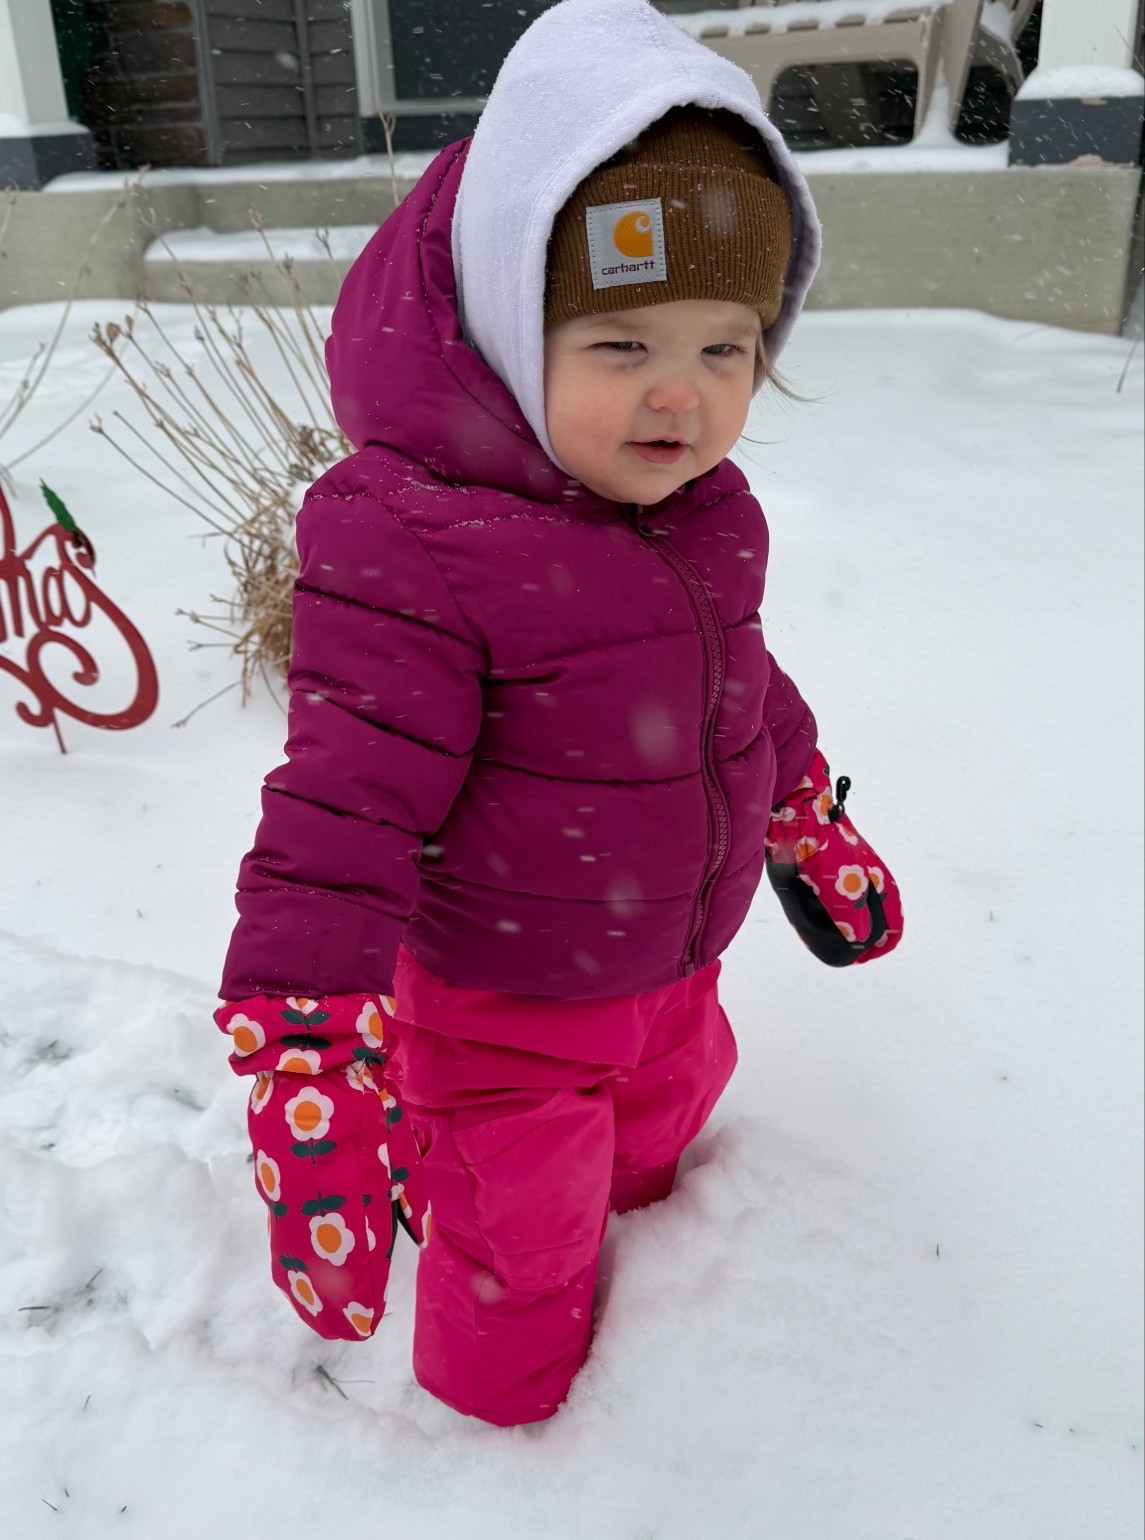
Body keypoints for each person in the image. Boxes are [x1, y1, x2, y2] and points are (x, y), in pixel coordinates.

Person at [214, 0, 902, 1428]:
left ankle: (608, 1261)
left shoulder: (703, 514)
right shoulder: (414, 540)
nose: (682, 395)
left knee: (653, 1156)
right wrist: (306, 1055)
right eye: (621, 343)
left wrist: (801, 808)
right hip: (505, 1010)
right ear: (504, 327)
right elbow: (343, 816)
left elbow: (737, 685)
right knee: (516, 1263)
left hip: (670, 977)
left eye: (727, 348)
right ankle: (501, 1456)